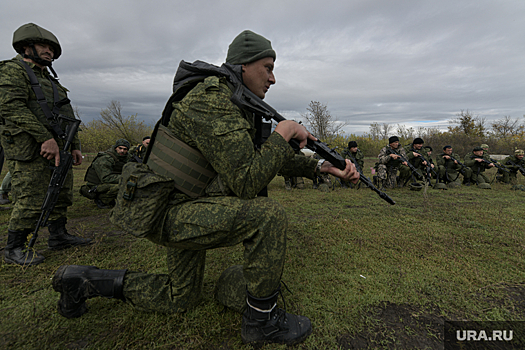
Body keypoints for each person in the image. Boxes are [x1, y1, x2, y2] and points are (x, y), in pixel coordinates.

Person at [52, 30, 359, 345]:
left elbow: (253, 156)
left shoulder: (235, 102)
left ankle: (82, 281)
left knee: (179, 297)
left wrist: (320, 166)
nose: (273, 78)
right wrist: (283, 134)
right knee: (267, 216)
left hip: (183, 203)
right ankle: (262, 320)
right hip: (166, 210)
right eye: (267, 67)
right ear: (243, 65)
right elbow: (247, 180)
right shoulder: (211, 98)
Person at [0, 23, 91, 266]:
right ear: (26, 47)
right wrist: (44, 138)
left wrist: (75, 145)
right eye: (43, 46)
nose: (49, 51)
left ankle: (58, 236)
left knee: (61, 193)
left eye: (51, 47)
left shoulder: (52, 81)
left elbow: (68, 114)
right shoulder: (12, 70)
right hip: (30, 148)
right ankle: (14, 248)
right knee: (30, 197)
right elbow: (10, 106)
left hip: (59, 146)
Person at [79, 138, 130, 208]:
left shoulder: (125, 157)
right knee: (123, 186)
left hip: (107, 183)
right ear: (115, 148)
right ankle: (102, 199)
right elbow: (106, 178)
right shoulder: (105, 159)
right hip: (97, 185)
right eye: (120, 148)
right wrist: (126, 177)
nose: (122, 151)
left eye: (125, 149)